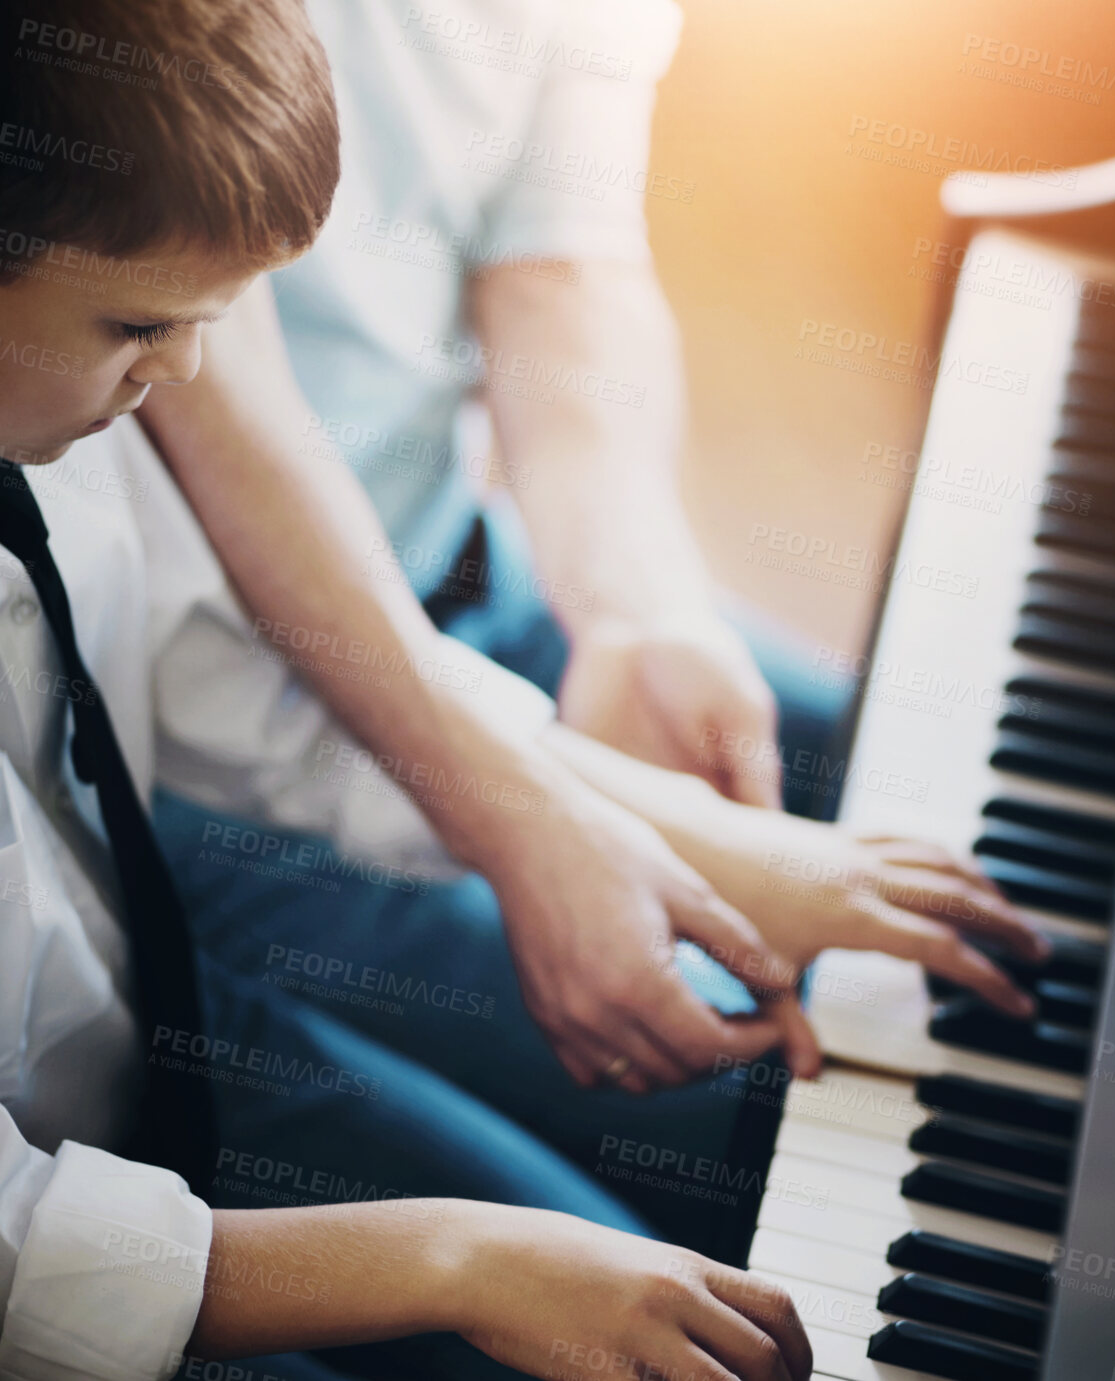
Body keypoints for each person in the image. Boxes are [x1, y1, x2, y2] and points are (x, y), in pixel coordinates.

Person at [134, 0, 1050, 1239]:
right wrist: (536, 817)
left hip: (454, 570)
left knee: (942, 792)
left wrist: (634, 606)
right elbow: (219, 403)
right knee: (781, 1094)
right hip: (206, 740)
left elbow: (567, 256)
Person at [0, 2, 817, 1376]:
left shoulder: (70, 417)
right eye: (145, 320)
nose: (190, 374)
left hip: (151, 1020)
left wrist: (622, 830)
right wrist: (457, 1257)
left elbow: (229, 700)